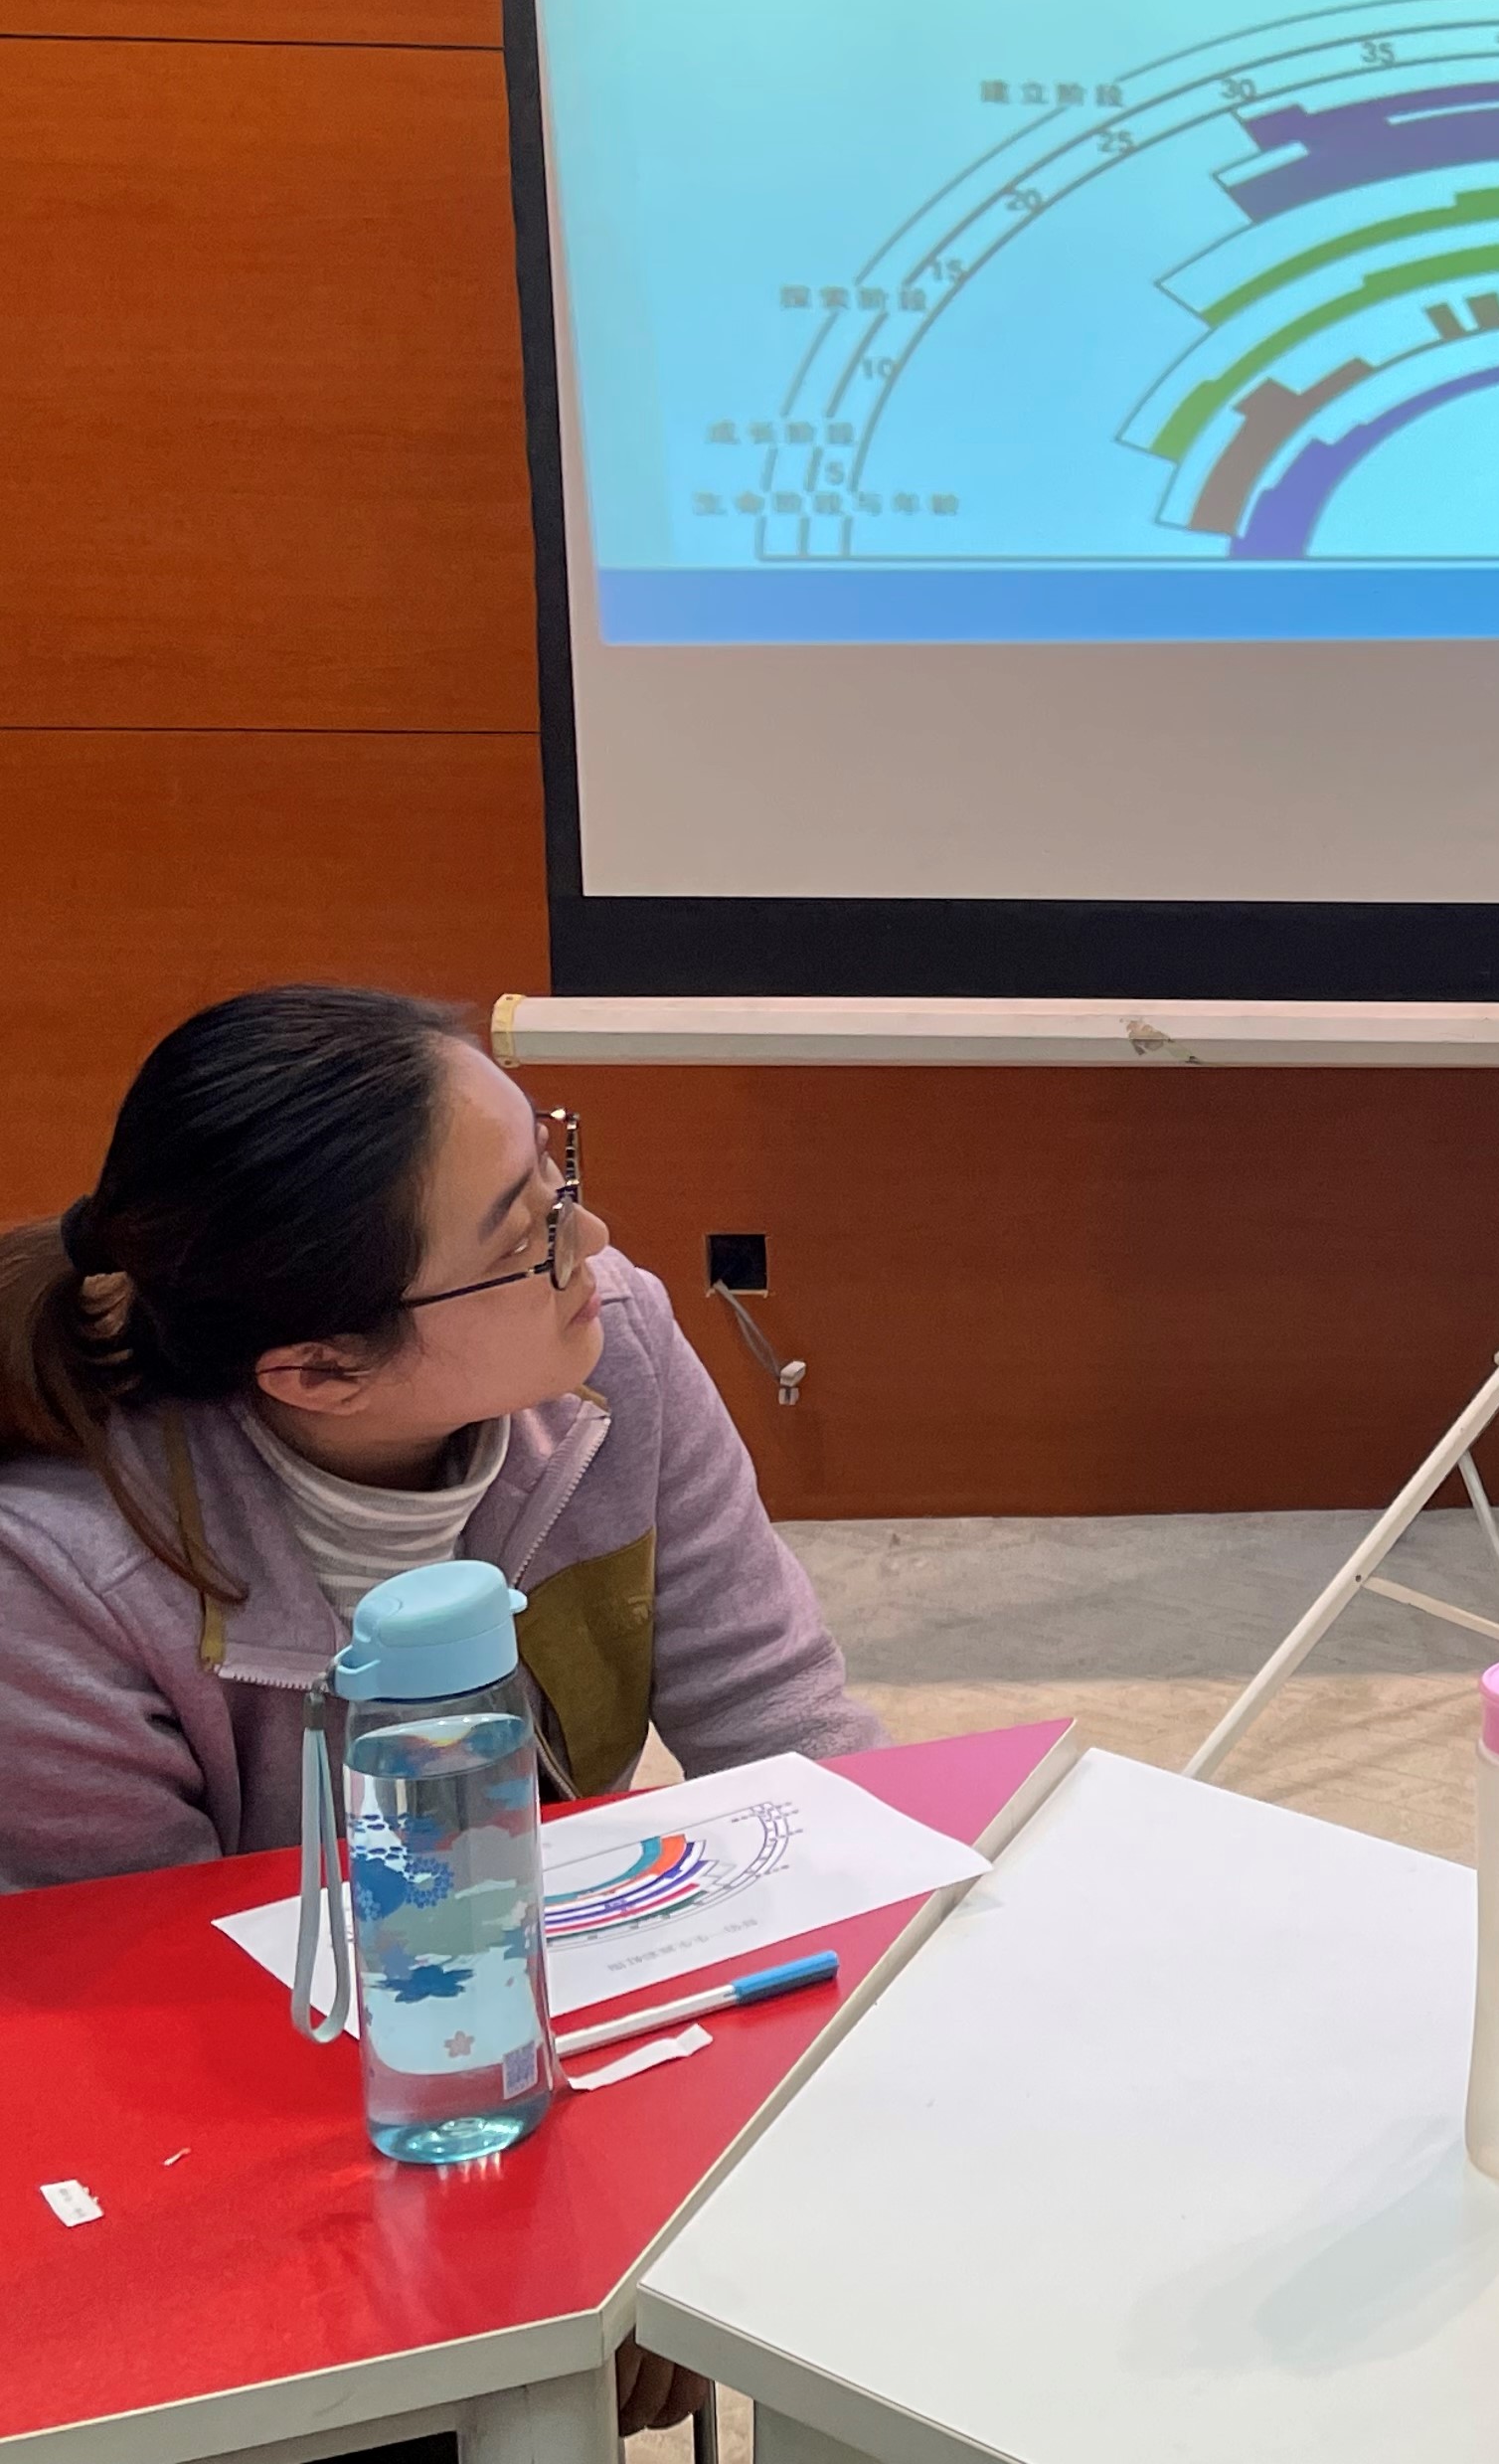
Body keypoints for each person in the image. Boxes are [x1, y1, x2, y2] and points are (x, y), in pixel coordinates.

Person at [0, 984, 887, 2440]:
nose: (594, 1246)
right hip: (255, 2170)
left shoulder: (618, 1347)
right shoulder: (59, 1575)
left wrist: (695, 2185)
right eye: (525, 1240)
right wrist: (551, 2245)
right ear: (319, 1369)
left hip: (535, 2017)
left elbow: (792, 1738)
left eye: (558, 1180)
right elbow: (160, 2056)